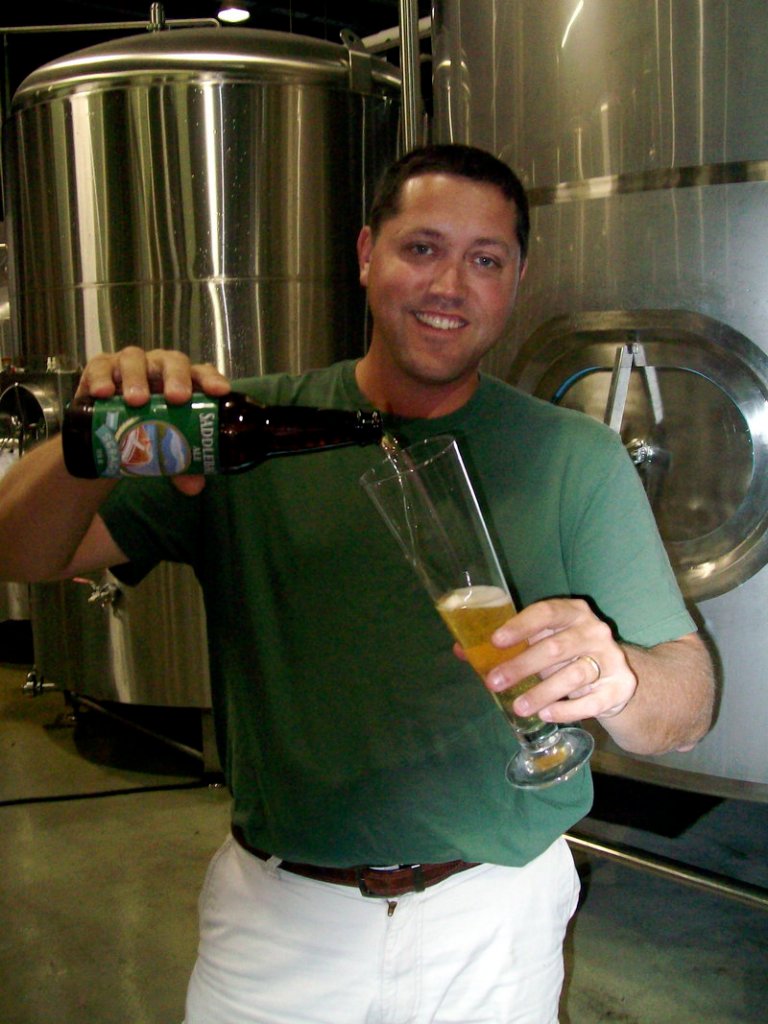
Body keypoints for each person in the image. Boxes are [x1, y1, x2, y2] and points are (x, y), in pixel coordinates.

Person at [0, 144, 714, 1023]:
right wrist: (93, 434)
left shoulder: (575, 458)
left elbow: (689, 703)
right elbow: (20, 551)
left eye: (485, 259)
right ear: (367, 252)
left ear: (517, 278)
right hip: (280, 919)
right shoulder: (241, 432)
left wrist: (621, 678)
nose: (451, 284)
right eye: (422, 248)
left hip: (497, 915)